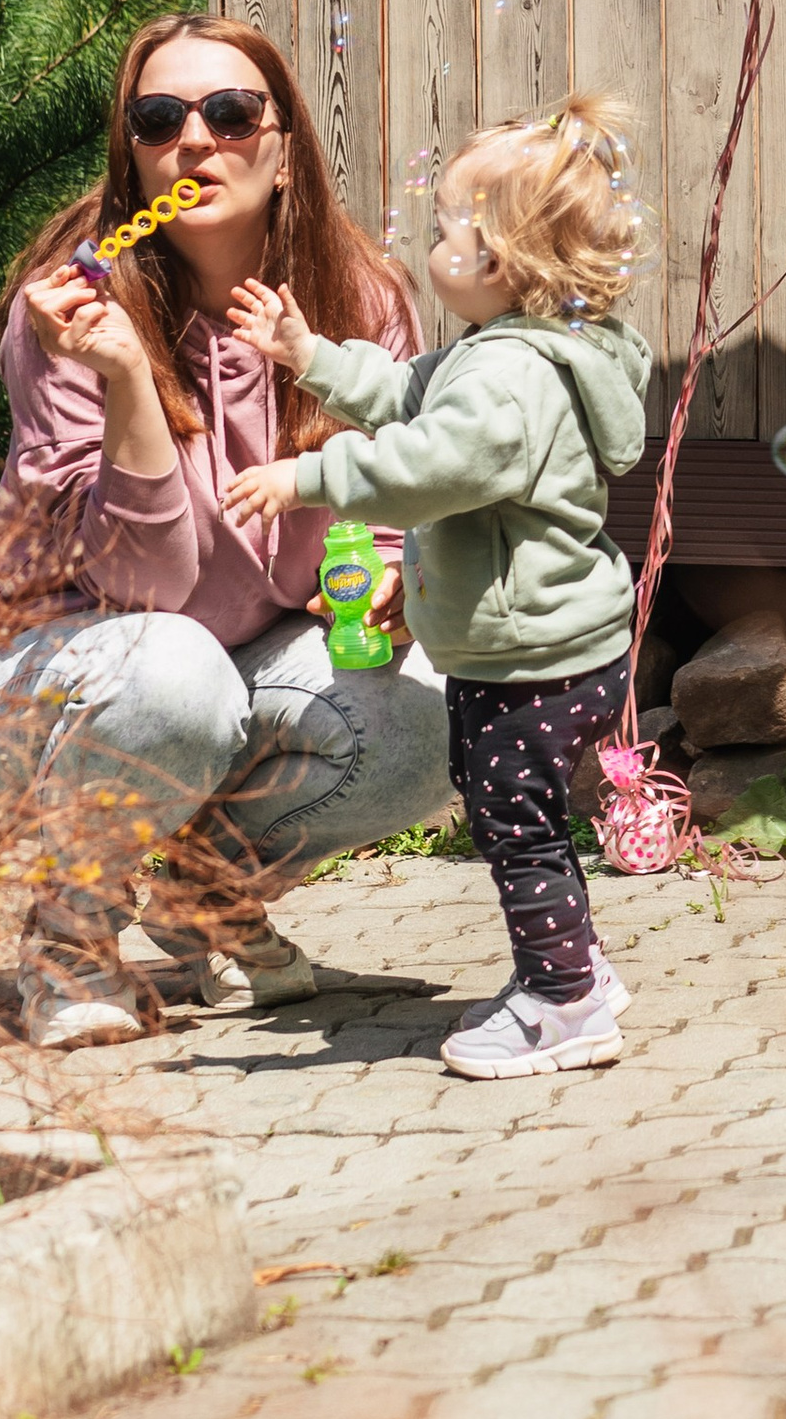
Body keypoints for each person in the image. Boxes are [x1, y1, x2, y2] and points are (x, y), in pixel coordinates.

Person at [0, 13, 452, 1048]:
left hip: (225, 661)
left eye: (230, 112)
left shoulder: (359, 298)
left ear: (285, 144)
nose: (195, 142)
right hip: (39, 692)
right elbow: (144, 588)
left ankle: (199, 902)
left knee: (436, 707)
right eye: (159, 120)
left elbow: (392, 496)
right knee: (176, 672)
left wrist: (387, 581)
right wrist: (124, 375)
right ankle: (68, 944)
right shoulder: (75, 311)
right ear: (131, 157)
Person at [224, 93, 652, 1084]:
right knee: (522, 814)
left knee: (515, 826)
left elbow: (431, 464)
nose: (435, 241)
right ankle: (574, 962)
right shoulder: (515, 353)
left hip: (528, 656)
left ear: (500, 260)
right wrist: (311, 359)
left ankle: (562, 1001)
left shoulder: (506, 377)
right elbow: (414, 395)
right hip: (550, 644)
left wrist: (308, 477)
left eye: (451, 226)